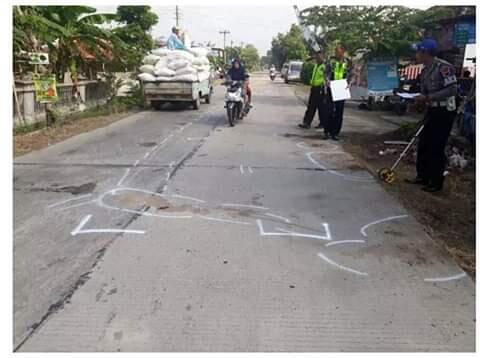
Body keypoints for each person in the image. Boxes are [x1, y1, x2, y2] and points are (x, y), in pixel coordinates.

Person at [405, 38, 458, 193]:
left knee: (436, 145)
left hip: (444, 112)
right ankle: (422, 175)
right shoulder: (425, 69)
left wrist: (428, 98)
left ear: (425, 52)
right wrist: (418, 101)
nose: (416, 55)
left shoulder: (444, 67)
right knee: (424, 143)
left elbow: (452, 90)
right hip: (432, 110)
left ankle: (435, 181)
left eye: (418, 51)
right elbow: (424, 91)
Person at [324, 44, 352, 140]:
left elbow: (351, 74)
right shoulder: (331, 61)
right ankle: (327, 131)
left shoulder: (348, 62)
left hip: (341, 89)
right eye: (335, 51)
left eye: (338, 51)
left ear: (343, 52)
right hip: (332, 87)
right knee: (329, 111)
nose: (336, 53)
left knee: (339, 112)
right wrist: (327, 80)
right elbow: (326, 72)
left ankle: (335, 133)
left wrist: (350, 84)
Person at [298, 50, 330, 129]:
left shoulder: (325, 66)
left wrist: (323, 85)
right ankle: (308, 122)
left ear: (323, 56)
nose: (317, 58)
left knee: (319, 107)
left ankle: (318, 123)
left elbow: (326, 78)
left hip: (320, 88)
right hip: (314, 87)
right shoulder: (316, 65)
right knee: (312, 106)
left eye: (319, 56)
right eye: (316, 56)